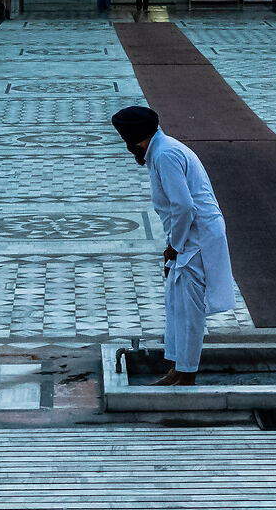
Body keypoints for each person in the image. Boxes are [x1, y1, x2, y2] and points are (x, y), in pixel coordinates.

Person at [110, 105, 234, 385]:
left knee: (189, 309)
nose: (131, 151)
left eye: (130, 144)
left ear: (134, 141)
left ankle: (187, 373)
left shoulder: (165, 154)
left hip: (196, 241)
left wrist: (174, 247)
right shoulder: (162, 149)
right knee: (176, 304)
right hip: (188, 240)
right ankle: (177, 368)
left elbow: (184, 206)